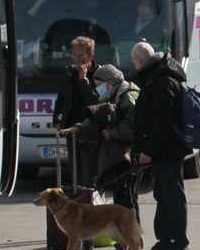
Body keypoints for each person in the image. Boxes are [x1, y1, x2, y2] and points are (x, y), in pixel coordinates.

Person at [131, 42, 191, 250]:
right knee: (162, 196)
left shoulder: (161, 79)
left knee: (173, 197)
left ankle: (179, 246)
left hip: (168, 150)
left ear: (139, 59)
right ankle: (164, 242)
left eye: (134, 61)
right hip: (162, 151)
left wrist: (148, 150)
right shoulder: (155, 76)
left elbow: (163, 120)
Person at [59, 65, 140, 220]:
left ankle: (131, 238)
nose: (98, 90)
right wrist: (79, 129)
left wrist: (112, 132)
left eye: (100, 86)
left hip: (131, 157)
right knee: (120, 198)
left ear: (110, 82)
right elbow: (96, 122)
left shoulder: (128, 97)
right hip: (119, 156)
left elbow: (135, 126)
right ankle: (125, 239)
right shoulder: (109, 97)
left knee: (127, 199)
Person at [53, 36, 99, 188]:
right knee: (75, 171)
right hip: (71, 127)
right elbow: (61, 99)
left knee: (88, 173)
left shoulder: (99, 74)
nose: (77, 60)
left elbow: (95, 102)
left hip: (90, 130)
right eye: (74, 56)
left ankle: (90, 205)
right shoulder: (69, 73)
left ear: (91, 56)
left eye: (81, 56)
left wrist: (83, 79)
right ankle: (78, 204)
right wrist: (57, 120)